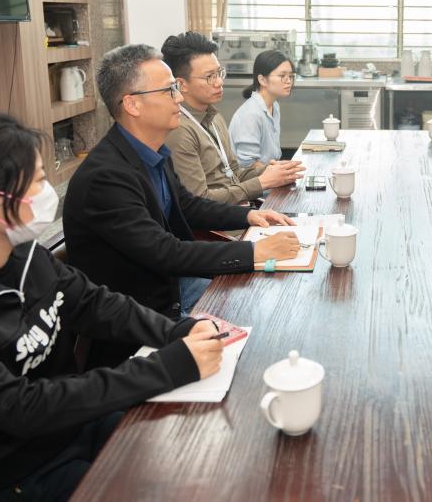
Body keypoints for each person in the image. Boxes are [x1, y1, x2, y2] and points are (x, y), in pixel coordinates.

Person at [0, 113, 224, 502]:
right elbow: (22, 407)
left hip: (71, 430)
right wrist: (168, 366)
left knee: (200, 455)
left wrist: (175, 332)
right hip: (8, 476)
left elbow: (94, 303)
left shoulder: (22, 255)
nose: (48, 192)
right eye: (39, 180)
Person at [64, 44, 299, 367]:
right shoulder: (105, 178)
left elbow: (188, 206)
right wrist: (254, 252)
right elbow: (164, 252)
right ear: (132, 104)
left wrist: (249, 215)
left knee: (274, 305)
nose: (178, 98)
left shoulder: (152, 152)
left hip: (171, 288)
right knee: (264, 332)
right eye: (169, 90)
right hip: (142, 318)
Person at [161, 31, 304, 204]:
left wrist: (271, 170)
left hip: (238, 208)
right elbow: (198, 201)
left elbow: (234, 172)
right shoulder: (179, 130)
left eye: (219, 73)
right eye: (210, 77)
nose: (219, 82)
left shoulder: (213, 117)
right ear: (181, 84)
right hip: (218, 219)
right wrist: (263, 182)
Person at [228, 50, 296, 167]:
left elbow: (271, 157)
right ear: (262, 80)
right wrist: (277, 171)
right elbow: (247, 164)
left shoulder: (274, 105)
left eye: (290, 76)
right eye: (282, 76)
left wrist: (280, 168)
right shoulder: (251, 114)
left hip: (266, 173)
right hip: (250, 177)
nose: (289, 81)